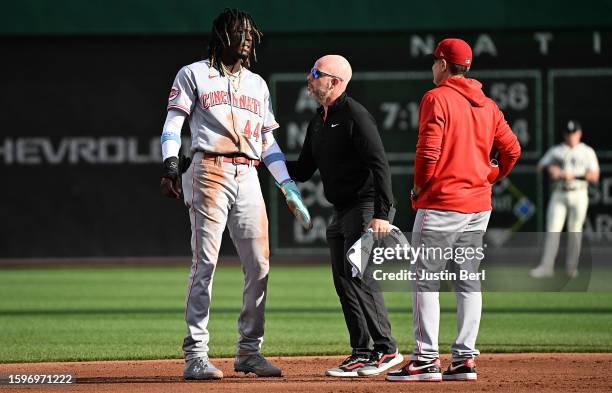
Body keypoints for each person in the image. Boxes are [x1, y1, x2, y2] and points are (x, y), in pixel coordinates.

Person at [159, 8, 312, 380]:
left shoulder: (257, 84)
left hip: (248, 173)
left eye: (250, 32)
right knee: (205, 263)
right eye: (239, 30)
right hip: (208, 169)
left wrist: (287, 184)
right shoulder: (194, 73)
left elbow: (267, 140)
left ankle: (249, 351)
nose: (247, 37)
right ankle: (195, 354)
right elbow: (173, 124)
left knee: (259, 265)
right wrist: (169, 164)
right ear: (220, 35)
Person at [386, 38, 521, 382]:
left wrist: (418, 188)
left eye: (435, 62)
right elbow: (512, 150)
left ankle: (425, 359)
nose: (433, 67)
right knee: (467, 280)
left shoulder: (437, 97)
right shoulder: (488, 105)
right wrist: (491, 175)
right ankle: (463, 359)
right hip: (478, 205)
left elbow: (428, 153)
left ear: (444, 64)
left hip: (443, 202)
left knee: (425, 280)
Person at [286, 54, 403, 377]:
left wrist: (383, 213)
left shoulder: (355, 116)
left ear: (335, 82)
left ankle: (386, 349)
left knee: (359, 275)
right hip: (342, 211)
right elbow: (304, 169)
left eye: (316, 73)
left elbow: (380, 165)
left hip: (365, 207)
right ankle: (362, 351)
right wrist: (266, 162)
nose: (309, 78)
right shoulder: (319, 120)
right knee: (343, 281)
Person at [530, 120, 600, 278]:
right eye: (568, 133)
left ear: (579, 133)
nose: (571, 136)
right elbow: (540, 166)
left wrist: (573, 175)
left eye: (574, 133)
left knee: (575, 230)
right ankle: (546, 267)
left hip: (579, 192)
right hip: (560, 192)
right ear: (564, 134)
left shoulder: (587, 151)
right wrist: (551, 169)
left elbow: (595, 176)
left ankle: (571, 268)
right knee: (552, 230)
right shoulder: (557, 150)